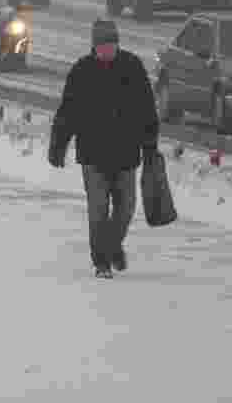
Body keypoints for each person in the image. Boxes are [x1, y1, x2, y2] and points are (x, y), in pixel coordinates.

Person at [48, 18, 160, 279]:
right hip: (93, 155)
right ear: (94, 47)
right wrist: (58, 145)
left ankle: (111, 247)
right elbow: (68, 112)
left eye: (112, 46)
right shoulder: (82, 70)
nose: (107, 51)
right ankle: (102, 261)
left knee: (126, 208)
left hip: (126, 154)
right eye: (103, 47)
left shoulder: (132, 67)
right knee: (98, 210)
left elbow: (146, 108)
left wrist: (150, 143)